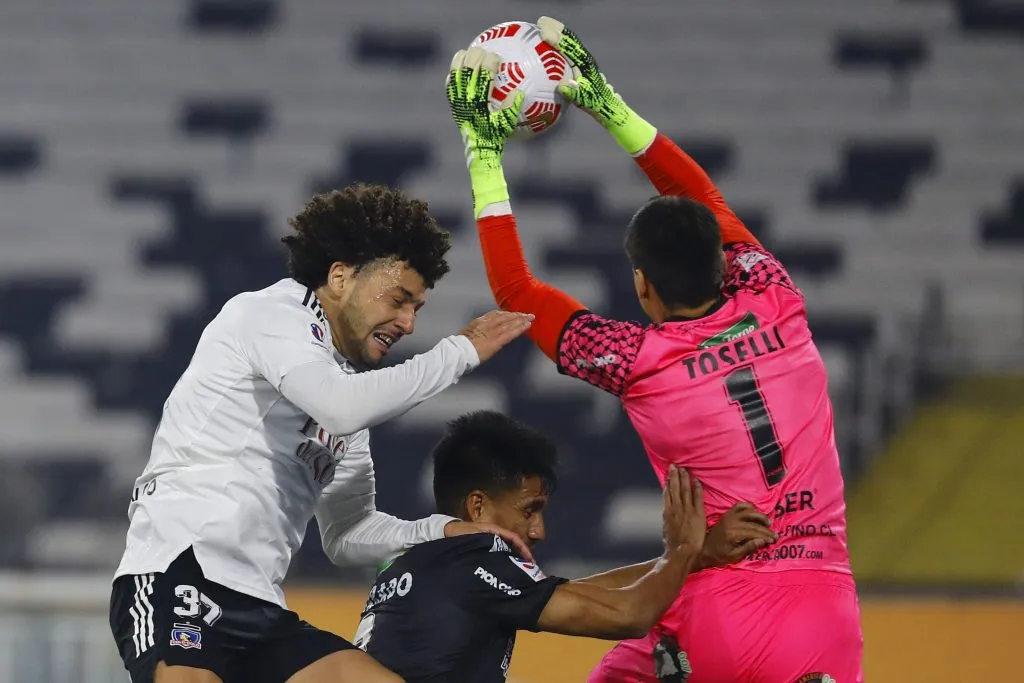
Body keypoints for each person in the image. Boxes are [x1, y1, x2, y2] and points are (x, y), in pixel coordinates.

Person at [445, 21, 864, 683]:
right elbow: (706, 198)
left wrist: (480, 144)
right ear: (726, 264)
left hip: (721, 611)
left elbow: (516, 290)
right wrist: (608, 104)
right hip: (828, 611)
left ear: (642, 285)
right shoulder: (775, 292)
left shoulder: (636, 359)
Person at [108, 183, 536, 683]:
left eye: (416, 308)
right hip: (178, 573)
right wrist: (460, 351)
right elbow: (340, 407)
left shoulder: (344, 391)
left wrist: (440, 530)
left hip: (258, 606)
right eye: (399, 300)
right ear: (339, 277)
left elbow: (347, 533)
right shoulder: (268, 315)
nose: (407, 323)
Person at [355, 411, 776, 683]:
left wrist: (694, 557)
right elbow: (627, 615)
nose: (537, 530)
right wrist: (683, 547)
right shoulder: (473, 560)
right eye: (528, 510)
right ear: (478, 506)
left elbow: (584, 593)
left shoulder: (418, 561)